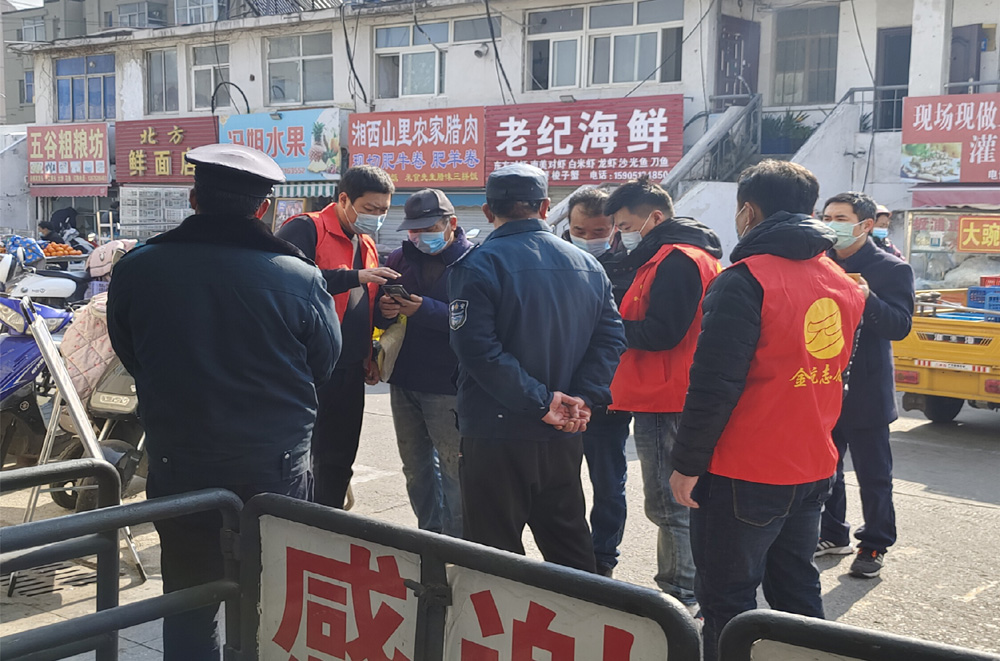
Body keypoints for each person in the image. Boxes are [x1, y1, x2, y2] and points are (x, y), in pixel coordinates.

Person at [107, 144, 341, 660]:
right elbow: (323, 366)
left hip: (180, 460)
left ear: (194, 199)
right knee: (274, 595)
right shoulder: (299, 277)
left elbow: (131, 352)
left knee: (188, 598)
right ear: (264, 209)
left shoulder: (139, 268)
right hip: (274, 467)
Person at [668, 160, 866, 660]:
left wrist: (687, 464)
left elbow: (713, 385)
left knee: (727, 601)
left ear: (748, 212)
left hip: (744, 471)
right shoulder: (842, 282)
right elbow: (837, 371)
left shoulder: (745, 280)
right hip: (812, 464)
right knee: (796, 591)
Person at [449, 164, 626, 572]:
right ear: (546, 207)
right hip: (564, 430)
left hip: (497, 433)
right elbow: (611, 339)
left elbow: (477, 350)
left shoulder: (478, 264)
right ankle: (582, 613)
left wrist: (542, 401)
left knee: (493, 554)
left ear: (488, 211)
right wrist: (582, 398)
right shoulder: (587, 265)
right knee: (570, 549)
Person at [605, 176, 723, 611]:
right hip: (672, 390)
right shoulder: (686, 255)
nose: (621, 234)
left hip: (665, 395)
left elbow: (662, 332)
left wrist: (606, 326)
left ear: (654, 217)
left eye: (625, 225)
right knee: (683, 499)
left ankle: (680, 594)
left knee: (669, 502)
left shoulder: (677, 261)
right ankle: (690, 586)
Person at [276, 165, 398, 508]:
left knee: (340, 453)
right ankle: (294, 519)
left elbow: (363, 303)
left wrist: (380, 327)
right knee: (297, 453)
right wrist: (353, 276)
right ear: (344, 199)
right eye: (370, 208)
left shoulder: (367, 242)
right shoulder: (306, 228)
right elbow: (288, 282)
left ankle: (329, 520)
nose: (376, 217)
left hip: (350, 366)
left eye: (384, 210)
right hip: (306, 367)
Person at [819, 192, 915, 578]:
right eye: (826, 217)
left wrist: (867, 298)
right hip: (824, 384)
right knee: (826, 470)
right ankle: (832, 533)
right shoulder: (819, 263)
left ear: (866, 225)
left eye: (840, 218)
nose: (831, 225)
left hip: (867, 388)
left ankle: (875, 543)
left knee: (874, 475)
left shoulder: (891, 269)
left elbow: (900, 325)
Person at [375, 189, 475, 537]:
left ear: (452, 224)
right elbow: (380, 314)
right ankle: (428, 535)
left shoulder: (474, 262)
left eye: (429, 228)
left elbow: (478, 322)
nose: (420, 237)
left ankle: (456, 544)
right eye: (414, 230)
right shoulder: (399, 259)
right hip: (404, 378)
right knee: (415, 468)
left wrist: (425, 310)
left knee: (453, 468)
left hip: (448, 384)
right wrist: (385, 310)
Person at [560, 187, 630, 577]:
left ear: (614, 228)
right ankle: (571, 554)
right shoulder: (555, 261)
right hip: (558, 393)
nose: (589, 239)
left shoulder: (628, 265)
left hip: (607, 397)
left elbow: (617, 336)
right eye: (580, 231)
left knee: (608, 482)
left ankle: (604, 556)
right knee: (561, 482)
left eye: (599, 232)